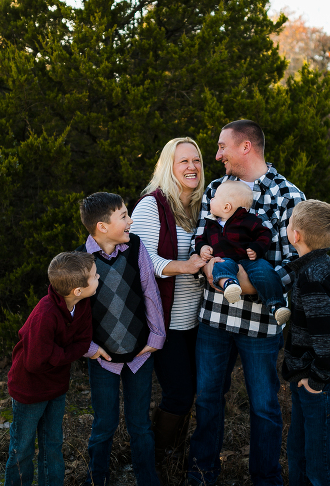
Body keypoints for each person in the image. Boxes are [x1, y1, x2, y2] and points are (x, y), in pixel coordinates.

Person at [187, 120, 305, 486]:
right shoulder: (214, 189)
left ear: (246, 148)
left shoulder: (288, 196)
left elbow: (294, 261)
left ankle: (266, 478)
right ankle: (202, 474)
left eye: (223, 147)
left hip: (260, 325)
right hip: (214, 319)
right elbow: (200, 240)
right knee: (207, 399)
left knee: (265, 407)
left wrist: (249, 285)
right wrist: (208, 268)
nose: (217, 155)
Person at [78, 192, 166, 486]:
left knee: (140, 424)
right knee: (104, 423)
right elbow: (75, 312)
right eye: (124, 216)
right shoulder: (81, 260)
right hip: (102, 357)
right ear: (102, 226)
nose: (130, 221)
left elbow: (149, 289)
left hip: (140, 352)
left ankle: (147, 478)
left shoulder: (136, 247)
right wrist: (89, 348)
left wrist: (157, 335)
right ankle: (97, 477)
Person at [130, 137, 207, 460]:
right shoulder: (152, 205)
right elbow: (142, 262)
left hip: (199, 320)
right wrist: (185, 266)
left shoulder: (204, 205)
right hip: (165, 320)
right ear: (169, 168)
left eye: (197, 161)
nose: (192, 167)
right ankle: (157, 459)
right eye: (183, 162)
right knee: (179, 393)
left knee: (197, 393)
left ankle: (176, 455)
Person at [5, 251, 98, 486]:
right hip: (29, 390)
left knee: (53, 444)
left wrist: (58, 353)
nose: (99, 279)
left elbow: (84, 341)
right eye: (96, 276)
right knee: (23, 447)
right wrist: (65, 354)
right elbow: (35, 361)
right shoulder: (45, 314)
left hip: (56, 388)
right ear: (77, 290)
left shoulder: (83, 304)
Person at [281, 199, 330, 486]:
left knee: (319, 463)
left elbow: (329, 340)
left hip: (322, 380)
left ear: (295, 235)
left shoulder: (311, 277)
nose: (287, 228)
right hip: (309, 375)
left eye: (289, 223)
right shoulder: (315, 264)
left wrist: (316, 380)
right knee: (298, 451)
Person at [195, 179, 291, 324]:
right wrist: (202, 247)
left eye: (214, 198)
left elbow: (264, 235)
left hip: (250, 260)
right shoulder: (211, 223)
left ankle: (277, 306)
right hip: (225, 259)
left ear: (227, 206)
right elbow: (200, 239)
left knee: (266, 270)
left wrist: (257, 248)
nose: (211, 199)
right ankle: (230, 284)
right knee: (219, 265)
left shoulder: (249, 221)